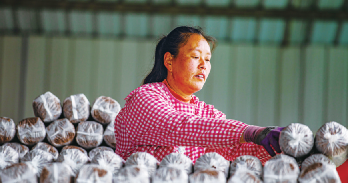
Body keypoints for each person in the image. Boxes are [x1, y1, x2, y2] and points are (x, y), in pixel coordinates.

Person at [114, 26, 283, 164]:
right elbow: (178, 126)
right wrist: (252, 132)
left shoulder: (206, 114)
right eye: (195, 56)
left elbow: (237, 149)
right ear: (169, 61)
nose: (203, 65)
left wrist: (285, 143)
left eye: (208, 59)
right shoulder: (144, 98)